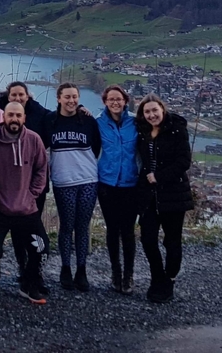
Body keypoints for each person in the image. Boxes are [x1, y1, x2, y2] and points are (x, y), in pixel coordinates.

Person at [0, 101, 49, 305]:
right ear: (4, 117)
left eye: (18, 115)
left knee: (41, 247)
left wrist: (32, 194)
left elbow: (42, 169)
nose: (14, 119)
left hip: (26, 208)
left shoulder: (34, 139)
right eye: (10, 115)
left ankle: (28, 284)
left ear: (24, 118)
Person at [135, 94, 194, 304]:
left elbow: (184, 161)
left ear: (162, 109)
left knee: (172, 240)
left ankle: (169, 280)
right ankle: (157, 276)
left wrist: (158, 177)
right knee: (148, 239)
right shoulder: (142, 130)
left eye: (155, 110)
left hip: (173, 193)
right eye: (147, 111)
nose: (151, 115)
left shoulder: (177, 129)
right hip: (149, 195)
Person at [46, 83, 102, 293]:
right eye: (67, 97)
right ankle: (65, 268)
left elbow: (96, 147)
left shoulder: (88, 120)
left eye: (75, 97)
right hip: (63, 181)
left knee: (82, 226)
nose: (71, 100)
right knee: (66, 225)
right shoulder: (51, 120)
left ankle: (81, 269)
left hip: (87, 180)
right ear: (59, 98)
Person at [96, 84, 140, 296]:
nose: (115, 102)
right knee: (112, 229)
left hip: (131, 184)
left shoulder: (136, 122)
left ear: (125, 101)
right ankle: (115, 272)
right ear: (105, 102)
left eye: (119, 99)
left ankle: (128, 274)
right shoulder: (98, 122)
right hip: (107, 184)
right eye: (111, 99)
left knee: (128, 231)